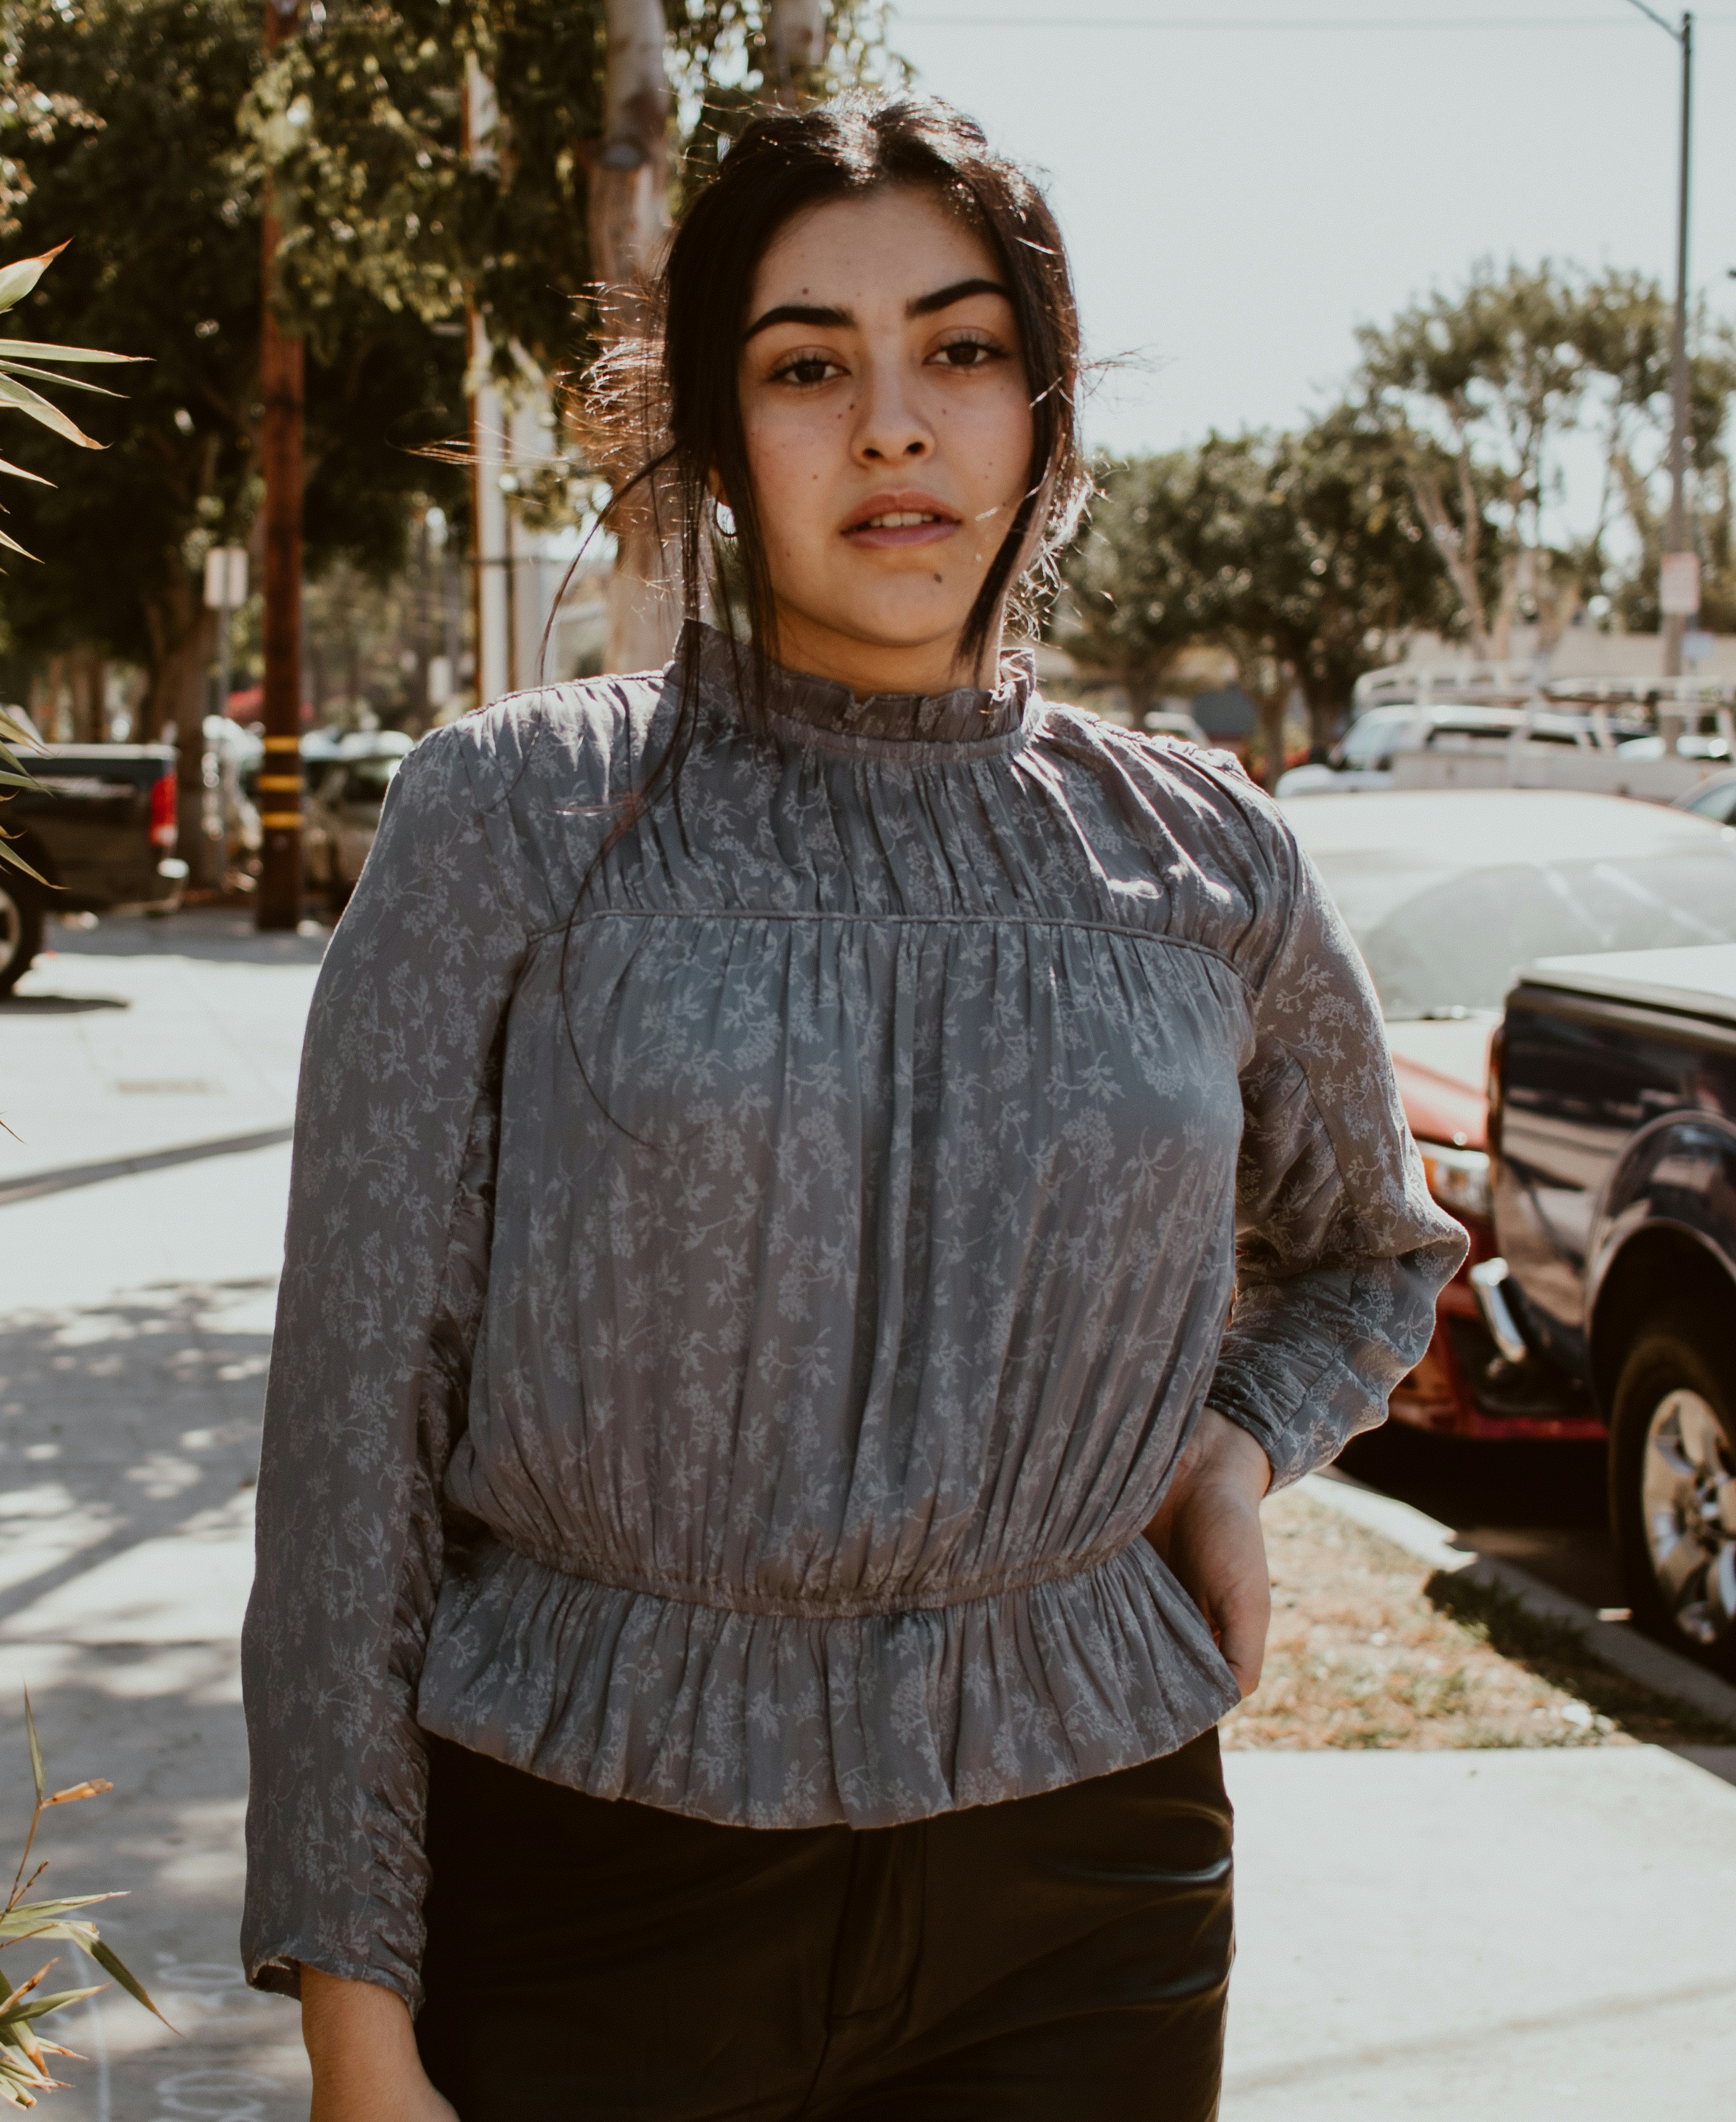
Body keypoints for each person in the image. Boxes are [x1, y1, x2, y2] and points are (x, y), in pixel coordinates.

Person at [241, 94, 1466, 2122]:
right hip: (587, 1885)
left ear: (1042, 415)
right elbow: (351, 1438)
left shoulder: (1205, 850)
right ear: (718, 437)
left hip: (1091, 1886)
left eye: (959, 351)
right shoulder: (517, 813)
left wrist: (1234, 1447)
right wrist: (354, 2013)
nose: (894, 427)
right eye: (808, 366)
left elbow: (1371, 1250)